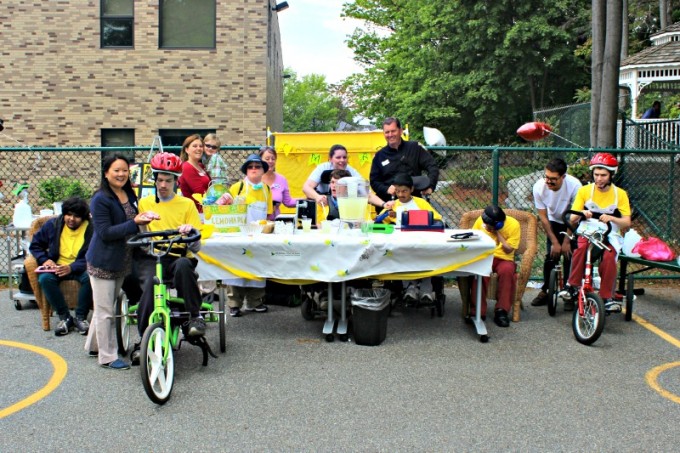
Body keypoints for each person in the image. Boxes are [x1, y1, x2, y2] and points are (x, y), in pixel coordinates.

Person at [130, 152, 205, 365]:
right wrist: (143, 223)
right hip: (152, 257)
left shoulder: (187, 205)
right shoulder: (144, 203)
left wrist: (189, 232)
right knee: (152, 285)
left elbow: (196, 247)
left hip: (177, 255)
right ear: (154, 180)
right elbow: (142, 238)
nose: (163, 185)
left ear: (176, 181)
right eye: (160, 180)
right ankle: (144, 338)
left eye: (168, 180)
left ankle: (193, 317)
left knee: (183, 265)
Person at [84, 154, 157, 370]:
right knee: (106, 311)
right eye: (116, 170)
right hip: (103, 263)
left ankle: (93, 345)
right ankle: (107, 357)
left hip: (122, 261)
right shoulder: (100, 199)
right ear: (106, 173)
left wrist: (142, 218)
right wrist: (135, 223)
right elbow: (105, 232)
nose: (121, 174)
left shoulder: (127, 193)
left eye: (125, 170)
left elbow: (132, 219)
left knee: (103, 307)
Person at [565, 153, 631, 313]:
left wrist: (611, 218)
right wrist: (582, 212)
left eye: (603, 175)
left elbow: (627, 222)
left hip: (609, 232)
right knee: (581, 248)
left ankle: (606, 296)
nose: (599, 178)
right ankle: (572, 285)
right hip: (588, 229)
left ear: (611, 175)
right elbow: (572, 218)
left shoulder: (620, 194)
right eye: (596, 174)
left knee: (609, 257)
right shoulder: (585, 190)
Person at [29, 197, 94, 336]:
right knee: (45, 279)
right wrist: (44, 260)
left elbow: (97, 254)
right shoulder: (53, 225)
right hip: (56, 266)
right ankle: (65, 318)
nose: (71, 219)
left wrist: (72, 267)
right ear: (63, 214)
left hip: (81, 267)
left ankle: (80, 317)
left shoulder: (92, 228)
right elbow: (35, 245)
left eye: (76, 216)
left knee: (91, 278)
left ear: (83, 217)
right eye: (68, 215)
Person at [218, 154, 273, 317]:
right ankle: (234, 303)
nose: (254, 169)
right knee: (236, 268)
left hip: (259, 236)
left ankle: (255, 301)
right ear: (246, 170)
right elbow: (225, 206)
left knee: (258, 267)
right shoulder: (238, 187)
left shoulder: (266, 189)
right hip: (239, 235)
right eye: (251, 167)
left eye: (258, 166)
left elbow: (269, 214)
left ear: (264, 170)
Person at [378, 173, 440, 303]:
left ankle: (426, 289)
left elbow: (438, 219)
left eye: (404, 191)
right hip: (402, 242)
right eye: (398, 191)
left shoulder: (420, 203)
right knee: (403, 257)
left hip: (421, 240)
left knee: (426, 258)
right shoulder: (393, 205)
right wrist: (388, 215)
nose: (401, 194)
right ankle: (410, 287)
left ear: (411, 189)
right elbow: (378, 222)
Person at [531, 158, 582, 308]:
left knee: (569, 255)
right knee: (551, 256)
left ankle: (569, 292)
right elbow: (543, 217)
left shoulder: (575, 186)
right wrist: (554, 241)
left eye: (553, 179)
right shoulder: (539, 187)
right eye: (547, 177)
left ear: (563, 177)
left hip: (571, 219)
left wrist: (566, 241)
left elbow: (573, 218)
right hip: (552, 221)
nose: (549, 182)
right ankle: (546, 290)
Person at [470, 205, 521, 327]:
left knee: (507, 272)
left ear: (498, 224)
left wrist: (498, 233)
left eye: (489, 225)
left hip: (504, 258)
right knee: (480, 273)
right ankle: (478, 311)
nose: (486, 227)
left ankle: (501, 311)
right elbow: (472, 238)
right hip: (485, 256)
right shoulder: (480, 221)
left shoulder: (514, 225)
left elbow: (509, 250)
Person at [370, 117, 439, 203]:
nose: (390, 135)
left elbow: (432, 166)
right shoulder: (379, 156)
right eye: (387, 132)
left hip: (414, 201)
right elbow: (374, 181)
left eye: (393, 131)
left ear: (400, 131)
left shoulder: (415, 148)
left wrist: (431, 186)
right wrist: (386, 189)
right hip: (390, 203)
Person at [259, 146, 299, 220]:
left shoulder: (282, 179)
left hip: (275, 222)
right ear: (260, 160)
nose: (270, 161)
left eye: (273, 159)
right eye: (267, 159)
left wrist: (306, 200)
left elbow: (288, 201)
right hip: (256, 223)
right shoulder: (253, 178)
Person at [178, 134, 210, 214]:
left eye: (200, 146)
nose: (198, 148)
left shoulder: (201, 166)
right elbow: (199, 193)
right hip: (195, 212)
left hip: (206, 210)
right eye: (194, 146)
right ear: (187, 150)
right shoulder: (186, 167)